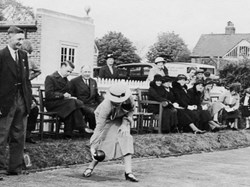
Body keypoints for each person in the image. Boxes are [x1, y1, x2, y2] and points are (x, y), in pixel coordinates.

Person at [82, 83, 138, 182]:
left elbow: (131, 111)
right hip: (107, 120)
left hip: (122, 119)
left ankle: (128, 172)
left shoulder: (129, 99)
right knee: (104, 143)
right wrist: (93, 145)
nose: (117, 103)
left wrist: (125, 124)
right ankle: (90, 167)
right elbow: (99, 128)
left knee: (126, 138)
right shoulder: (106, 106)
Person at [0, 26, 32, 177]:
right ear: (9, 37)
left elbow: (26, 80)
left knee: (19, 135)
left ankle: (15, 168)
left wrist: (28, 100)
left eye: (22, 39)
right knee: (2, 135)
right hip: (5, 101)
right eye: (18, 39)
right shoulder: (1, 55)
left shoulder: (24, 56)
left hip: (21, 100)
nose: (21, 42)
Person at [44, 61, 93, 138]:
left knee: (73, 107)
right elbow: (48, 94)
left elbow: (69, 93)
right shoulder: (50, 77)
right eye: (68, 71)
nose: (69, 74)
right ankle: (82, 126)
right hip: (53, 104)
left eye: (70, 72)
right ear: (62, 67)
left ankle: (68, 134)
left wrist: (70, 96)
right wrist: (62, 95)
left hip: (65, 104)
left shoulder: (66, 80)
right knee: (74, 103)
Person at [70, 65, 103, 130]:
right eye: (85, 72)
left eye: (88, 72)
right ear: (81, 72)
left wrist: (103, 103)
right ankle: (93, 130)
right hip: (81, 104)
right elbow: (72, 95)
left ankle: (99, 130)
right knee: (93, 112)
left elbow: (96, 95)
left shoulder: (93, 81)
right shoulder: (74, 81)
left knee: (102, 111)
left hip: (93, 104)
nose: (87, 74)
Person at [21, 39, 41, 144]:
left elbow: (38, 71)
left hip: (26, 88)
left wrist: (29, 78)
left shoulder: (30, 61)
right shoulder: (15, 60)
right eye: (26, 52)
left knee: (34, 109)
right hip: (16, 90)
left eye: (29, 53)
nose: (27, 55)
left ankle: (28, 134)